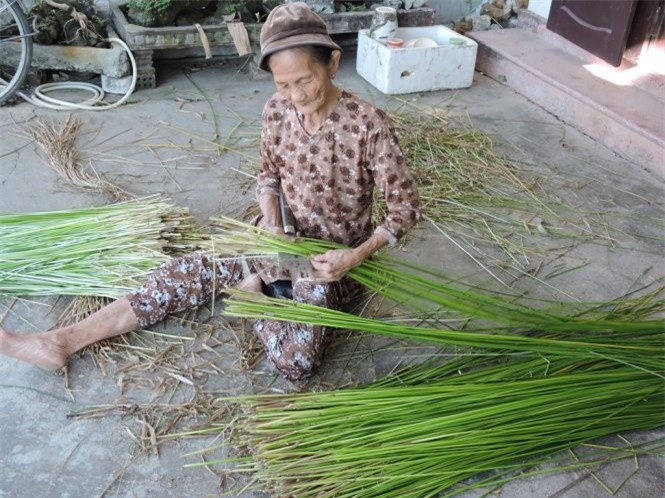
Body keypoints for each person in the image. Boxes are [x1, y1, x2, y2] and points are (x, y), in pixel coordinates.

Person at [0, 3, 421, 381]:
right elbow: (268, 177)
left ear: (332, 63)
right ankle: (60, 341)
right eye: (283, 85)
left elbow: (405, 209)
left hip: (326, 264)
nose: (294, 96)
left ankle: (257, 297)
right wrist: (271, 224)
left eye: (304, 81)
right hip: (271, 240)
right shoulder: (277, 110)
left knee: (296, 363)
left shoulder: (368, 125)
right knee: (174, 280)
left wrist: (355, 255)